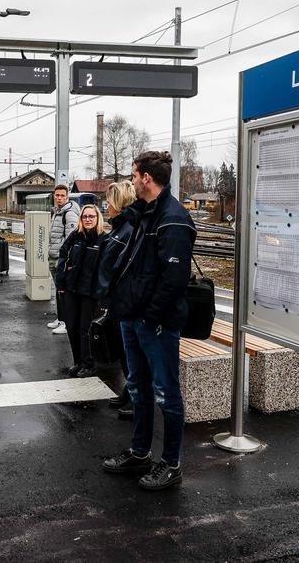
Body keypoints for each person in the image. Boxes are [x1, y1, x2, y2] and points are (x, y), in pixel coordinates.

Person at [101, 151, 196, 491]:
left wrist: (150, 317)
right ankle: (140, 452)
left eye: (134, 175)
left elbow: (174, 280)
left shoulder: (173, 219)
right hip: (133, 316)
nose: (131, 180)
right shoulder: (145, 213)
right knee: (138, 388)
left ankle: (171, 463)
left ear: (146, 178)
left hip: (156, 323)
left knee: (166, 393)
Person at [95, 180, 144, 417]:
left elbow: (122, 268)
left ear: (119, 203)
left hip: (122, 300)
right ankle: (129, 390)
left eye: (109, 201)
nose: (106, 206)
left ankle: (136, 398)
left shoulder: (128, 230)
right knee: (123, 351)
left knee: (128, 352)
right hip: (114, 299)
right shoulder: (119, 228)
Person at [57, 204, 106, 378]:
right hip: (72, 289)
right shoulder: (75, 236)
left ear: (98, 218)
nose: (88, 219)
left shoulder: (103, 239)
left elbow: (105, 269)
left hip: (90, 293)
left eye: (91, 216)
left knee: (86, 329)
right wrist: (61, 283)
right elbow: (63, 256)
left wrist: (102, 293)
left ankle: (88, 364)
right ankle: (78, 361)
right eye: (85, 216)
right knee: (72, 327)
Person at [46, 184, 78, 335]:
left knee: (64, 291)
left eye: (62, 196)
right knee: (59, 291)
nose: (59, 198)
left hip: (61, 259)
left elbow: (71, 239)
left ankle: (66, 323)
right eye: (57, 195)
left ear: (67, 196)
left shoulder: (69, 214)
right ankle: (61, 319)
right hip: (53, 257)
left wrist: (64, 258)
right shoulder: (57, 212)